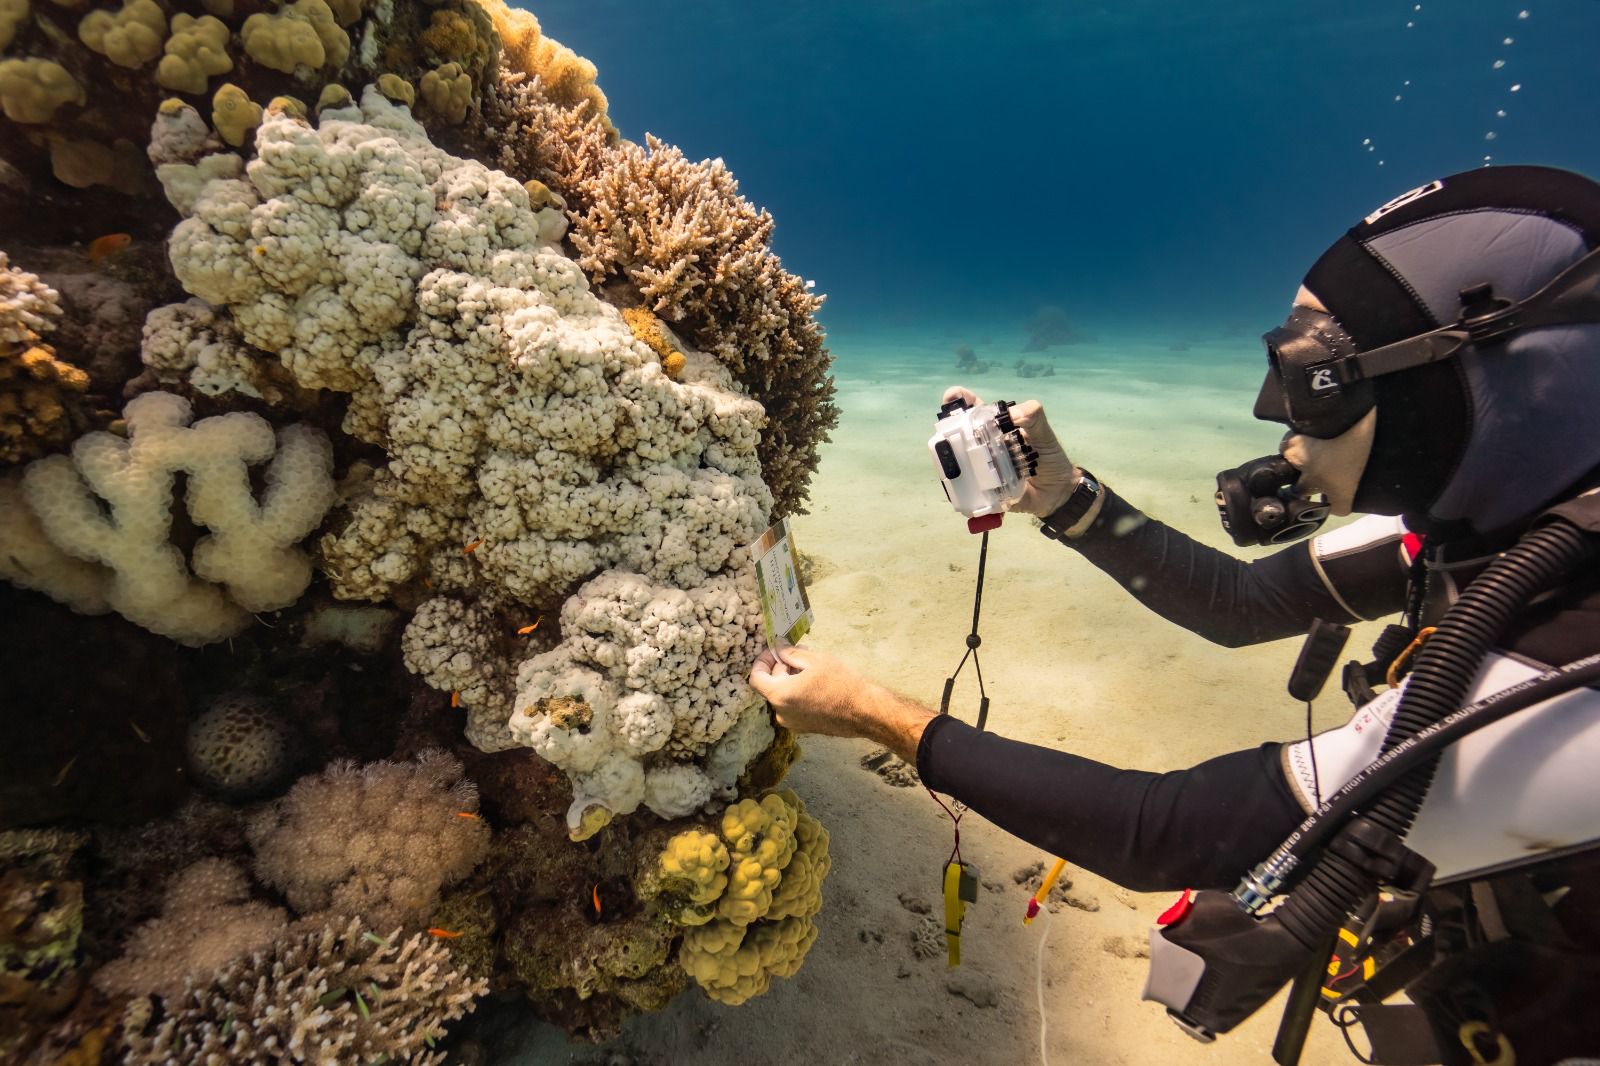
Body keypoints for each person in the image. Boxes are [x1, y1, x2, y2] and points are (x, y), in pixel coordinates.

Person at [749, 164, 1600, 1065]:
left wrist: (868, 710)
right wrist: (1066, 498)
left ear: (1481, 379)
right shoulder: (1501, 536)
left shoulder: (1567, 679)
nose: (1275, 412)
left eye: (1314, 376)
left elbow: (1160, 831)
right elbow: (1242, 604)